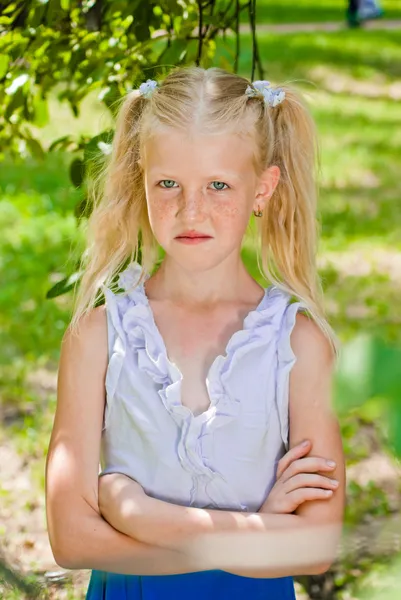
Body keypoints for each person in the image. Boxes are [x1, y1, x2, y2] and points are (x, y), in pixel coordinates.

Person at [45, 67, 345, 599]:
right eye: (168, 184)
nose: (191, 210)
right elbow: (70, 539)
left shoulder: (295, 344)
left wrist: (136, 512)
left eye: (218, 186)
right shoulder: (99, 335)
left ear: (263, 189)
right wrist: (256, 536)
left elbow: (315, 546)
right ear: (141, 181)